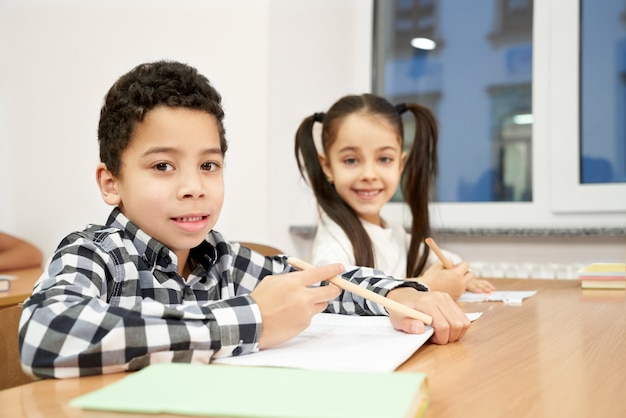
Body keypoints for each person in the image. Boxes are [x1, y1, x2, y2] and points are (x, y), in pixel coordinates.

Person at [19, 61, 470, 379]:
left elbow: (323, 282)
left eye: (209, 165)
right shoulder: (96, 252)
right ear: (111, 182)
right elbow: (48, 335)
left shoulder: (223, 260)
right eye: (163, 166)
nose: (193, 186)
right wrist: (253, 318)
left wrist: (399, 291)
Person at [294, 94, 495, 300]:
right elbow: (335, 297)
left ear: (400, 164)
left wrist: (462, 276)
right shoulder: (334, 242)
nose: (369, 175)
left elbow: (447, 260)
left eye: (384, 159)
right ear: (327, 166)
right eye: (351, 160)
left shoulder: (393, 233)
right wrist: (425, 286)